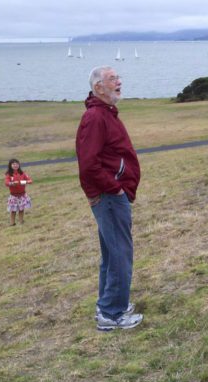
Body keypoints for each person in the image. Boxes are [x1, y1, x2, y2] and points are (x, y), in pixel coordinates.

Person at [76, 65, 143, 332]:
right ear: (98, 87)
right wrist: (113, 189)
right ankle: (112, 313)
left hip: (111, 196)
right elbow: (88, 164)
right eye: (112, 78)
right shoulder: (95, 117)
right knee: (119, 255)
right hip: (110, 198)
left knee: (111, 253)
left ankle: (110, 304)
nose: (119, 81)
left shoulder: (106, 114)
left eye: (119, 77)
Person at [4, 158, 33, 226]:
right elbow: (6, 183)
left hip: (22, 195)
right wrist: (12, 183)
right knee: (13, 210)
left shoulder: (22, 173)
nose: (15, 165)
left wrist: (23, 182)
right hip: (14, 196)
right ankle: (12, 222)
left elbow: (30, 181)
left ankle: (21, 221)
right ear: (10, 165)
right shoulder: (8, 174)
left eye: (17, 164)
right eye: (13, 164)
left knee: (21, 209)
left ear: (19, 165)